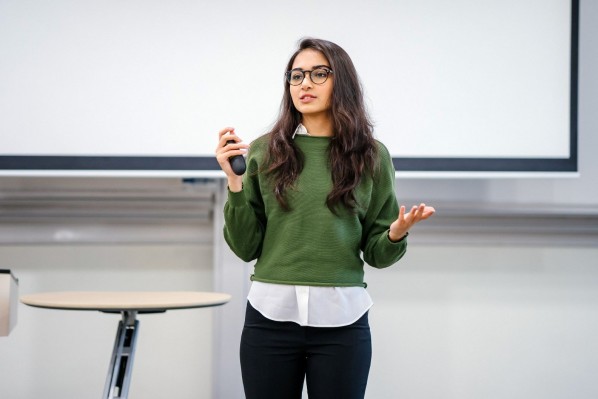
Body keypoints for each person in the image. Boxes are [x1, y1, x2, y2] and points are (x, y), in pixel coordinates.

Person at [215, 37, 435, 399]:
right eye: (297, 75)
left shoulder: (371, 156)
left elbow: (378, 255)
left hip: (342, 323)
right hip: (269, 318)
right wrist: (234, 182)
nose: (305, 83)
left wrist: (396, 233)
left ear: (341, 82)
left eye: (319, 74)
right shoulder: (262, 151)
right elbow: (244, 246)